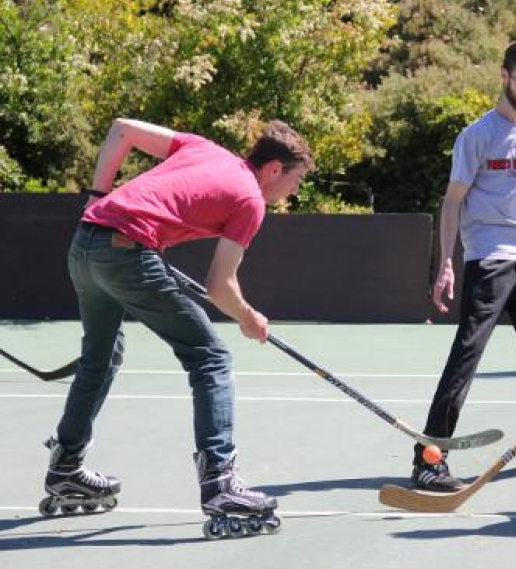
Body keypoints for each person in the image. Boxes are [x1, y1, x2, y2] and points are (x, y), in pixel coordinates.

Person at [42, 118, 314, 525]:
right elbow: (219, 287)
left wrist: (97, 194)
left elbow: (120, 130)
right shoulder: (251, 201)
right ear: (274, 168)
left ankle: (65, 467)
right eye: (294, 180)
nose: (293, 191)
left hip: (85, 243)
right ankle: (220, 484)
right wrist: (249, 317)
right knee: (210, 357)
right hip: (125, 252)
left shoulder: (206, 148)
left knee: (103, 355)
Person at [410, 40, 516, 492]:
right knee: (467, 353)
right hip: (489, 256)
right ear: (504, 76)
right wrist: (445, 263)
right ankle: (429, 460)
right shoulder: (477, 135)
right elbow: (453, 202)